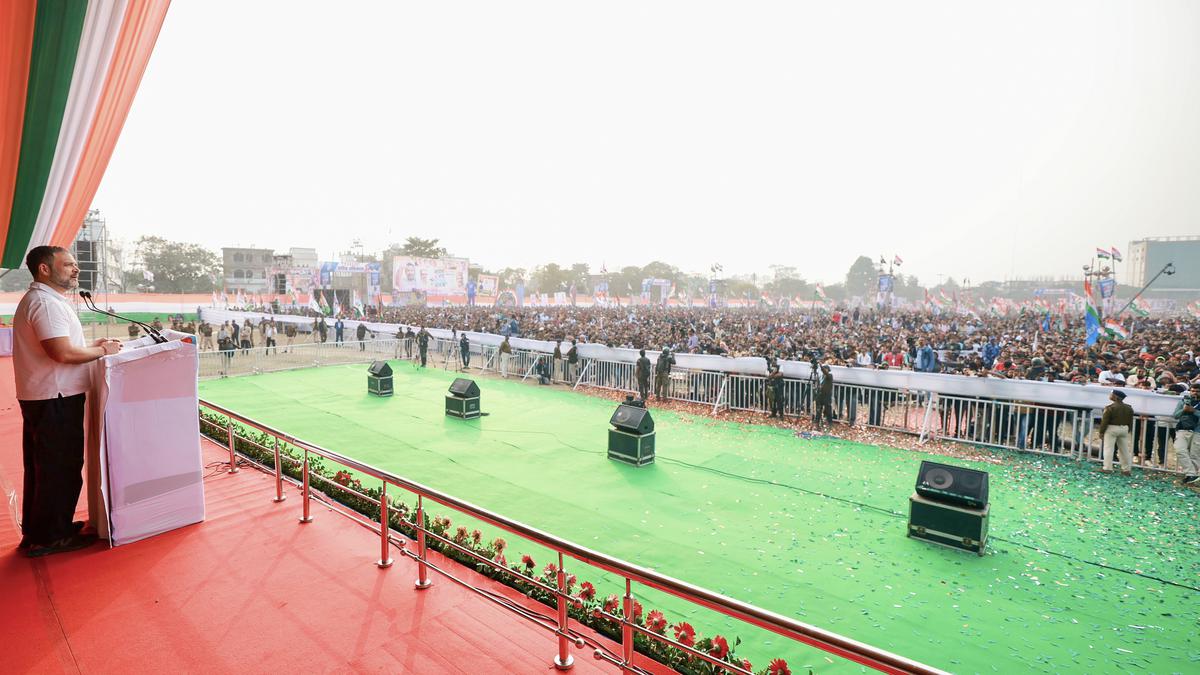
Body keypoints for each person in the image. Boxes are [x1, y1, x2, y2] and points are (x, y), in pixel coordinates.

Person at [13, 246, 121, 557]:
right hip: (55, 397)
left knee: (43, 466)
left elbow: (66, 346)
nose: (75, 270)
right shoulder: (46, 304)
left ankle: (41, 529)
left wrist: (93, 345)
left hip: (47, 395)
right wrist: (103, 352)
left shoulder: (46, 301)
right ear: (44, 269)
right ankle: (51, 536)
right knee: (59, 467)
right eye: (68, 264)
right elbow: (62, 353)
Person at [1098, 389, 1134, 475]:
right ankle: (1126, 469)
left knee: (1108, 449)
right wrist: (1128, 429)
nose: (1110, 395)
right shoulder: (1129, 408)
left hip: (1112, 429)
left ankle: (1107, 468)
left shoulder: (1110, 408)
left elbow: (1105, 421)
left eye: (1111, 394)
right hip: (1124, 428)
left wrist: (1101, 432)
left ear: (1115, 397)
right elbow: (1130, 421)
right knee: (1124, 450)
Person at [1173, 384, 1200, 485]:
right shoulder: (1183, 402)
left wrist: (1194, 411)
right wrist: (1184, 410)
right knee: (1180, 450)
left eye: (1197, 391)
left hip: (1198, 431)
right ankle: (1191, 474)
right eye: (1192, 391)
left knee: (1195, 455)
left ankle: (1190, 477)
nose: (1194, 393)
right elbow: (1175, 415)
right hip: (1183, 429)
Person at [815, 364, 834, 429]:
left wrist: (821, 366)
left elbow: (826, 373)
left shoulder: (830, 376)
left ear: (828, 370)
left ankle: (830, 423)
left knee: (828, 410)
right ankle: (816, 423)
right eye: (824, 369)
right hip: (820, 395)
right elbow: (818, 384)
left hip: (827, 396)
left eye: (826, 369)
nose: (824, 370)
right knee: (818, 410)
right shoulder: (819, 376)